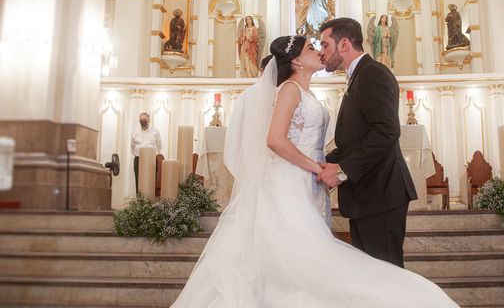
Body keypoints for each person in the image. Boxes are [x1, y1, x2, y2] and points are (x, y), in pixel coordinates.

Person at [171, 35, 458, 307]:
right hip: (289, 182)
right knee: (299, 255)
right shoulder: (289, 89)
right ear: (296, 61)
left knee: (306, 253)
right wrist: (317, 168)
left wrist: (326, 167)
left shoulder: (307, 92)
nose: (318, 51)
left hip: (308, 181)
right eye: (310, 47)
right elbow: (275, 140)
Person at [319, 17, 417, 267]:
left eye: (324, 45)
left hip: (381, 195)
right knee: (371, 278)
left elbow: (386, 132)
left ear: (343, 44)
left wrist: (342, 170)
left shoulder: (373, 73)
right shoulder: (357, 76)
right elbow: (356, 140)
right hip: (368, 196)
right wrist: (318, 163)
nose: (322, 53)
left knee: (386, 276)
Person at [130, 112, 162, 194]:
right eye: (141, 119)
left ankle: (150, 201)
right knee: (138, 179)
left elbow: (159, 146)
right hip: (138, 158)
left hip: (151, 159)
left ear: (149, 120)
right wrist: (138, 155)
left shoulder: (155, 131)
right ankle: (139, 200)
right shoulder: (134, 131)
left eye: (145, 119)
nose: (143, 121)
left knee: (151, 180)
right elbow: (132, 147)